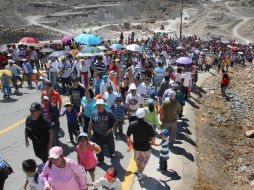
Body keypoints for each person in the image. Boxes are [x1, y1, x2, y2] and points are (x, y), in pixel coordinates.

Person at [127, 108, 156, 180]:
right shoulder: (149, 125)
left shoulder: (131, 124)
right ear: (144, 116)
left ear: (136, 115)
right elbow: (153, 137)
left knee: (137, 160)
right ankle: (140, 174)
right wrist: (152, 143)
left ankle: (139, 171)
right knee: (144, 161)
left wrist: (130, 144)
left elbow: (128, 136)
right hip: (146, 148)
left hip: (136, 147)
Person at [88, 99, 117, 163]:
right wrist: (89, 131)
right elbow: (91, 122)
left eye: (100, 105)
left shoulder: (109, 113)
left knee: (111, 144)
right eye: (97, 105)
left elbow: (115, 120)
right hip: (97, 133)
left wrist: (110, 129)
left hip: (107, 133)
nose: (98, 107)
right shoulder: (93, 113)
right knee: (98, 146)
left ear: (103, 106)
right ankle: (100, 159)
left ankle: (112, 152)